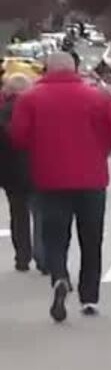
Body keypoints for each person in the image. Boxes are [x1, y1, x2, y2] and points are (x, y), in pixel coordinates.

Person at [6, 52, 111, 321]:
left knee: (55, 236)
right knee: (91, 238)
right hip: (91, 179)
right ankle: (89, 296)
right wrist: (99, 148)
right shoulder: (97, 97)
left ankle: (59, 276)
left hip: (49, 179)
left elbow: (18, 136)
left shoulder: (29, 99)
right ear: (75, 68)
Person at [0, 72, 38, 273]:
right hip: (37, 166)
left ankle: (22, 256)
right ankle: (43, 255)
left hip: (10, 172)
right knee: (41, 212)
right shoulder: (36, 109)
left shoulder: (3, 111)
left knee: (18, 214)